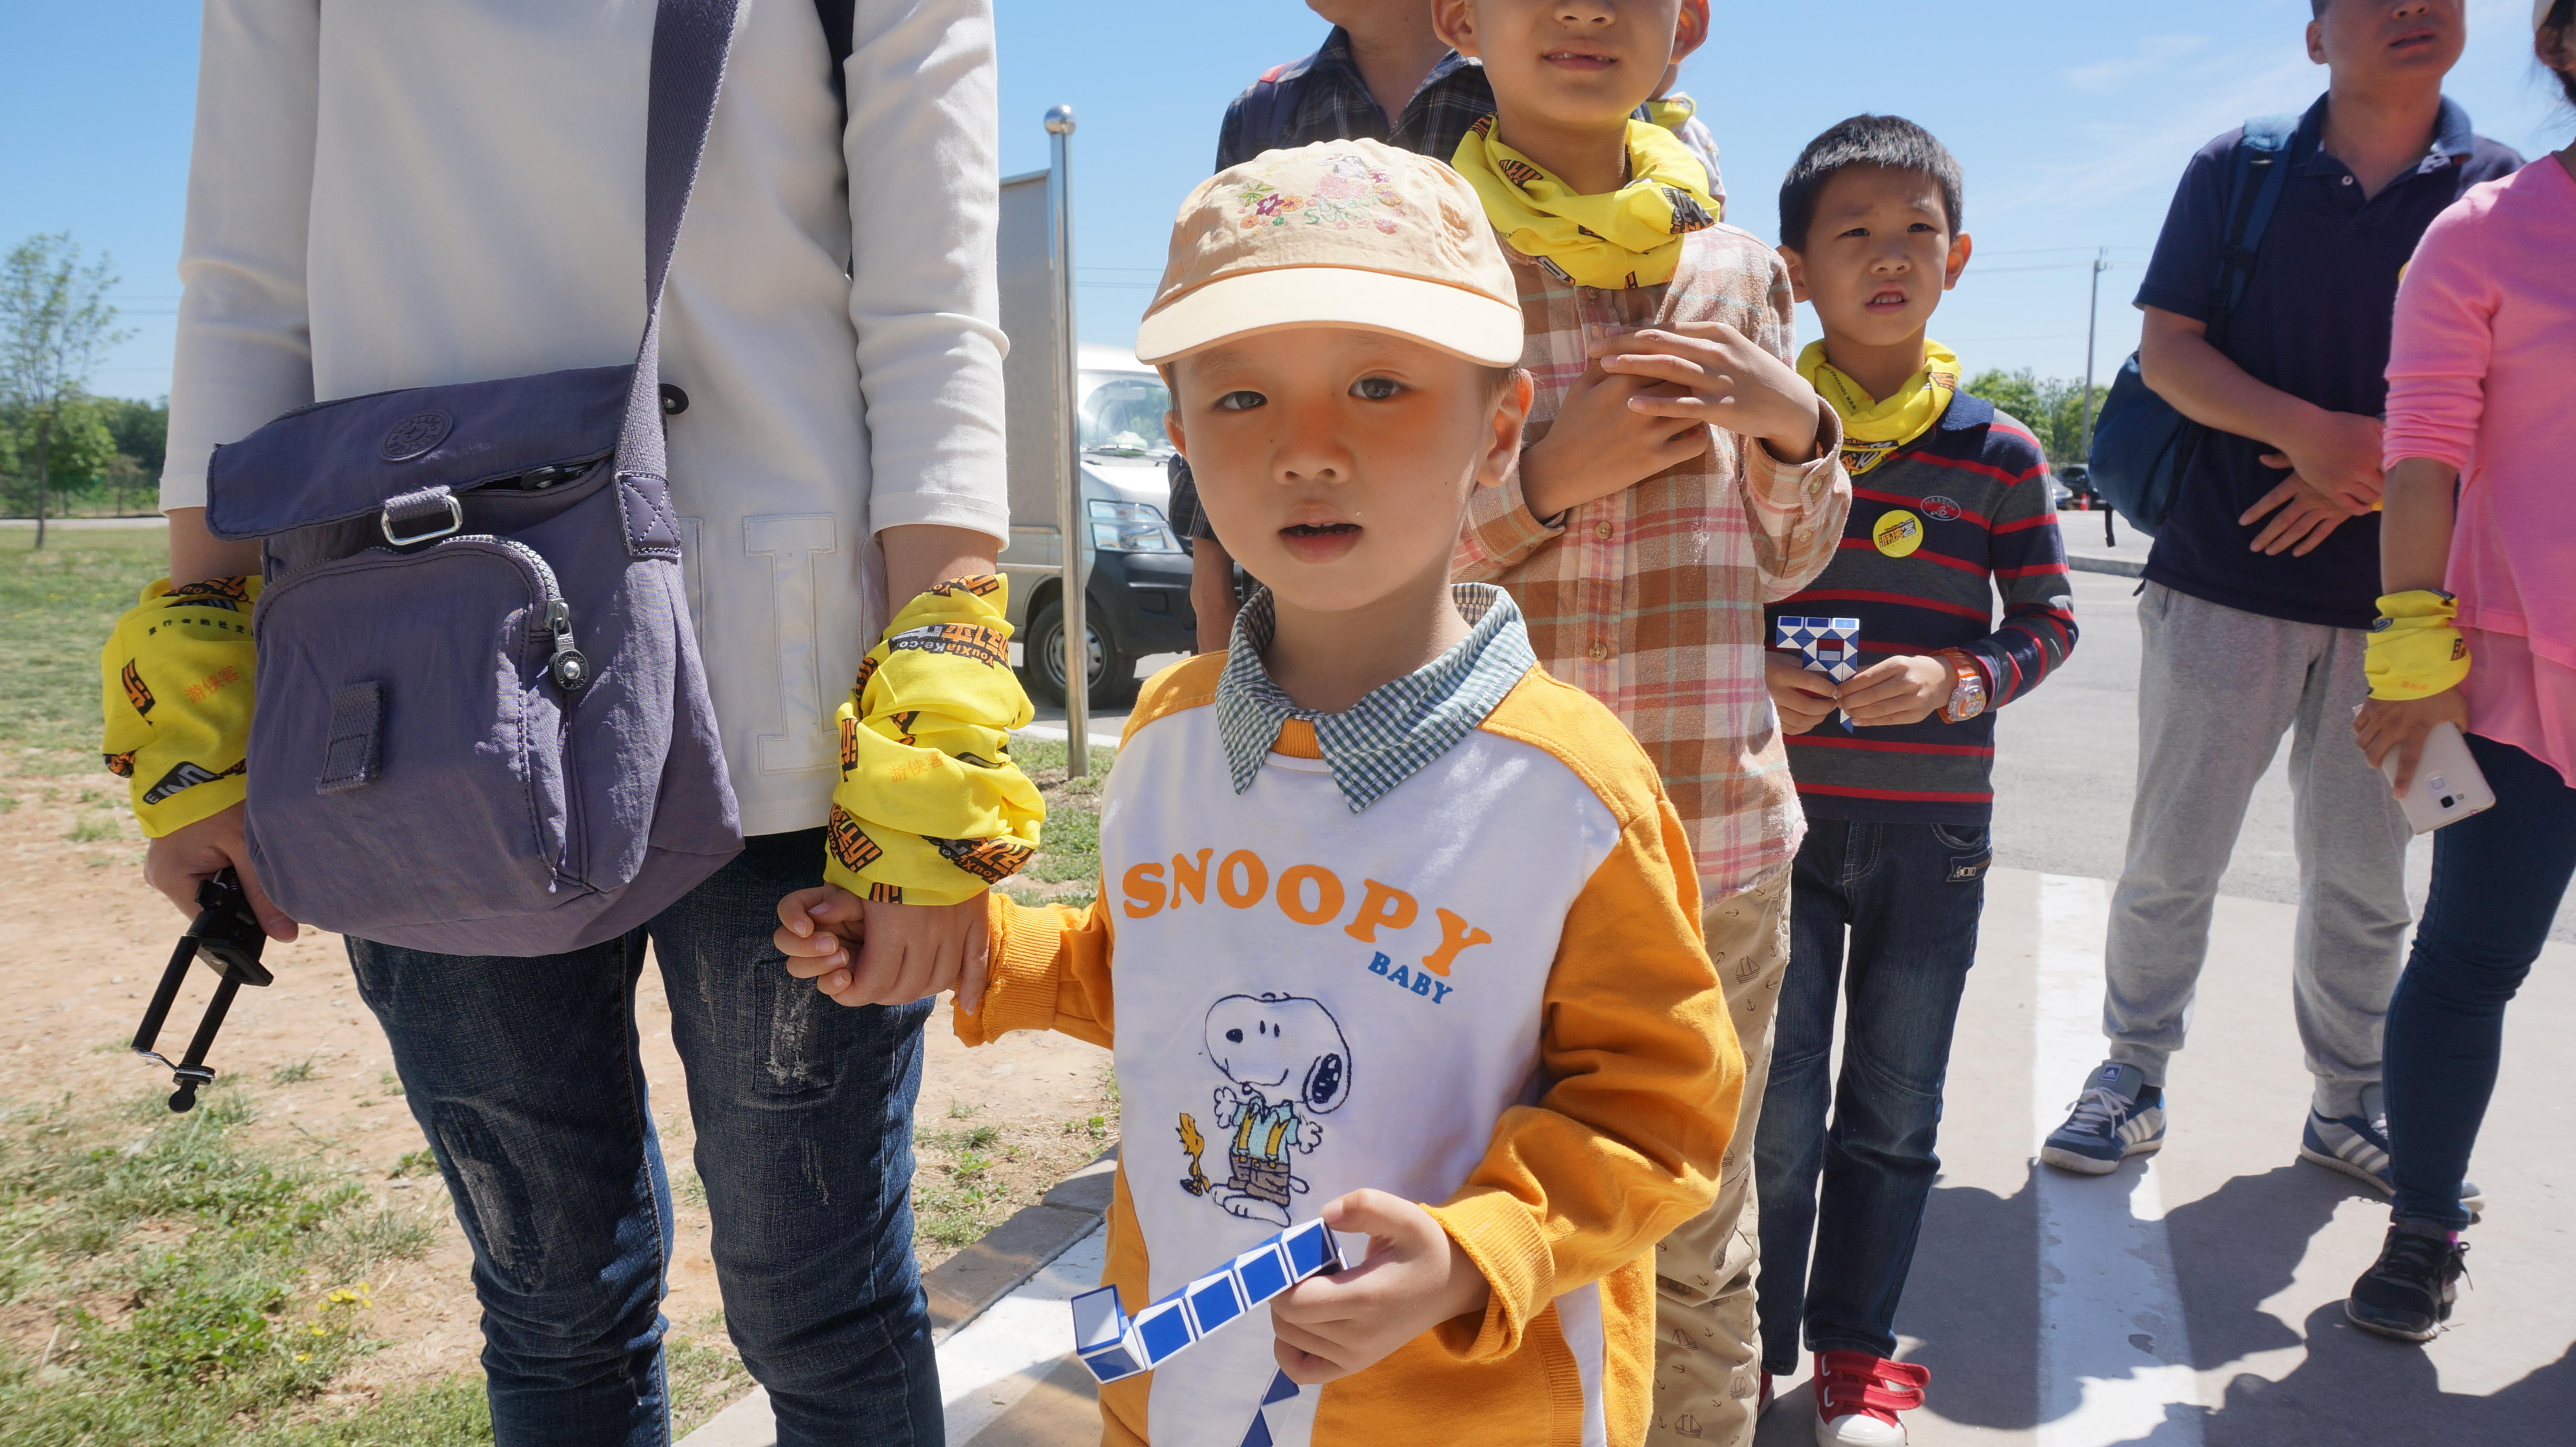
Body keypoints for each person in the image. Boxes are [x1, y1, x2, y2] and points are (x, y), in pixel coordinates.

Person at [130, 4, 1012, 1442]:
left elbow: (933, 298)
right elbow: (244, 287)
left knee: (820, 1296)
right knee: (551, 1300)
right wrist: (197, 694)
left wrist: (938, 708)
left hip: (779, 701)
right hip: (419, 695)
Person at [779, 141, 1741, 1446]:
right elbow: (1166, 974)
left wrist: (1475, 1253)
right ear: (1178, 434)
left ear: (1497, 424)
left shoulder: (1565, 791)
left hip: (1461, 1413)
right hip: (1183, 1376)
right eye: (1240, 402)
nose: (1306, 449)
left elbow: (1660, 1106)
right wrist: (979, 948)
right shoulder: (1169, 734)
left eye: (1379, 385)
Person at [1434, 3, 1851, 1443]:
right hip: (1470, 843)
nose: (1587, 14)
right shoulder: (1434, 253)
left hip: (1708, 844)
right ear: (1457, 20)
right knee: (1469, 1217)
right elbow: (1360, 543)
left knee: (1689, 1232)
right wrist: (1545, 478)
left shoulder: (1736, 268)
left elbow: (1790, 557)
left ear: (1689, 26)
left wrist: (1794, 425)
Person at [2042, 0, 2518, 1211]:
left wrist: (2358, 480)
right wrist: (2310, 434)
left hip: (2405, 617)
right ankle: (2128, 1074)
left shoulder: (2500, 196)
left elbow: (2506, 407)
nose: (2410, 9)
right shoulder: (2236, 169)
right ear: (2313, 36)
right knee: (2172, 854)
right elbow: (2167, 351)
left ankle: (2346, 1100)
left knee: (2365, 877)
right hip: (2219, 578)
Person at [1752, 116, 2076, 1446]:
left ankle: (1853, 1359)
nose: (1888, 257)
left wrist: (1957, 681)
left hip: (1932, 835)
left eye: (1915, 235)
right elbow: (1704, 598)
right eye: (1854, 234)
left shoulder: (1997, 452)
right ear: (1793, 268)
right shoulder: (1761, 433)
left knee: (1891, 1112)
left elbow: (2046, 622)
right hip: (1770, 824)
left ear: (1955, 261)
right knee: (1769, 1110)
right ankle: (1747, 1340)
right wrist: (1746, 669)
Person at [2339, 0, 2576, 1344]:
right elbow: (2420, 449)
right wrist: (2413, 656)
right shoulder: (2480, 234)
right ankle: (2422, 1221)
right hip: (2511, 678)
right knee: (2469, 957)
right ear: (2557, 46)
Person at [1179, 1, 1502, 654]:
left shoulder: (1540, 69)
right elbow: (1214, 338)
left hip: (1541, 558)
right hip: (1312, 580)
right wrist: (1211, 585)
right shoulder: (1269, 108)